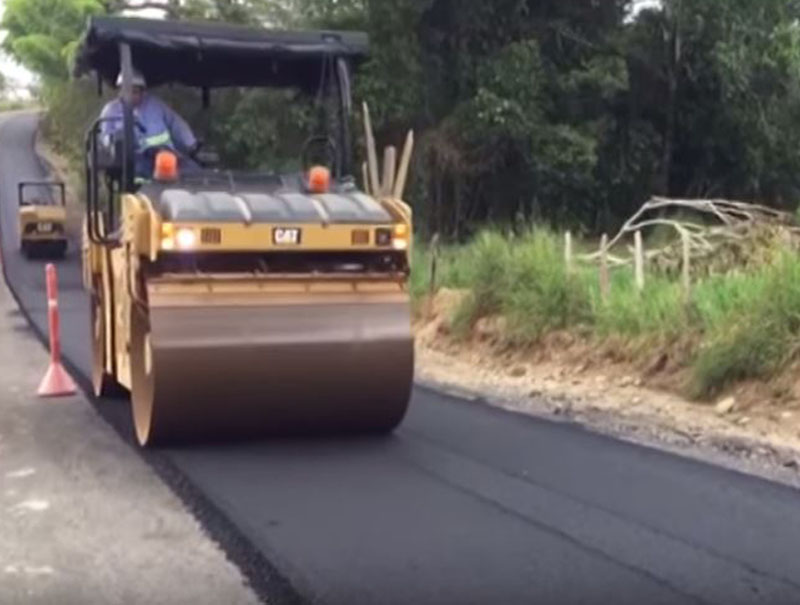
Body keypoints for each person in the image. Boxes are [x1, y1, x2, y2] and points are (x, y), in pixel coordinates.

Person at [99, 68, 201, 178]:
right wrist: (114, 144)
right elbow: (106, 135)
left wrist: (190, 143)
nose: (131, 95)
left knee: (193, 171)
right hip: (136, 157)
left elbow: (175, 122)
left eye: (135, 92)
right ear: (120, 91)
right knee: (141, 172)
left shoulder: (155, 105)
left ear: (143, 92)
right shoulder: (111, 110)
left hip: (165, 154)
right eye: (126, 91)